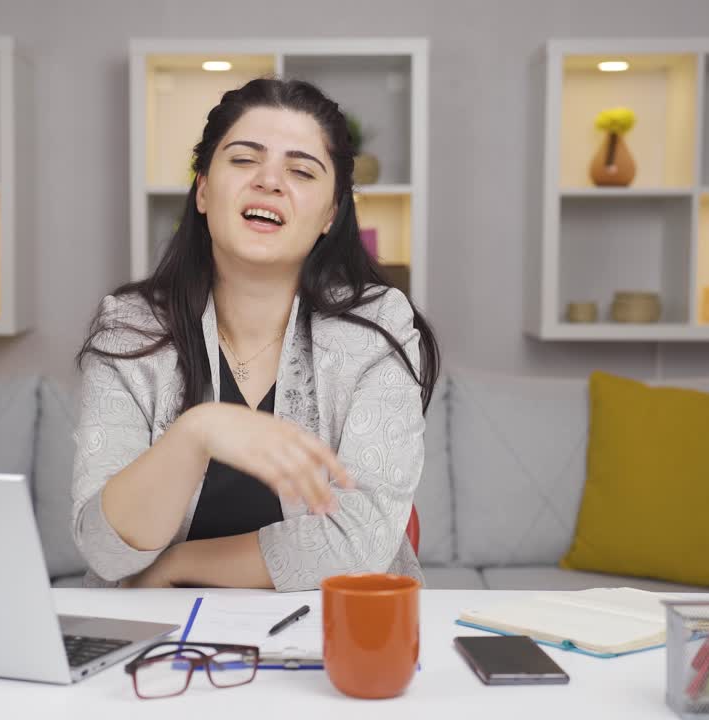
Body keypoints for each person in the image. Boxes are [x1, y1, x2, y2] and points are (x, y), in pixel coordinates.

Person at [71, 77, 440, 591]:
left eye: (301, 171)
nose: (270, 181)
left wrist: (179, 564)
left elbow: (360, 542)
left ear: (331, 214)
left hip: (327, 627)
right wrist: (196, 433)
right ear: (203, 190)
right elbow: (105, 551)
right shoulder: (130, 328)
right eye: (244, 160)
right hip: (157, 629)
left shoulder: (378, 325)